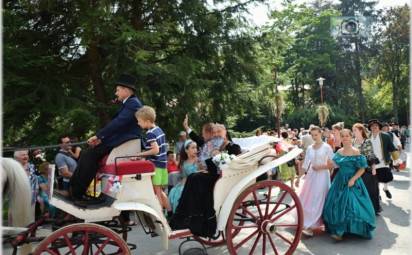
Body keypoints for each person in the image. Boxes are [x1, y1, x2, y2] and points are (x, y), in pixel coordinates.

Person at [70, 74, 142, 203]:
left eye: (118, 90)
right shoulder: (129, 103)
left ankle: (77, 193)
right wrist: (101, 139)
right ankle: (75, 190)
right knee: (87, 154)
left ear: (126, 90)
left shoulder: (132, 104)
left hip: (125, 141)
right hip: (118, 140)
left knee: (89, 155)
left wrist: (98, 136)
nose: (116, 93)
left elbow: (118, 123)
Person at [323, 129, 376, 240]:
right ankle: (340, 231)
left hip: (353, 180)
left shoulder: (356, 151)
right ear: (341, 138)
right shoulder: (339, 152)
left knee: (352, 204)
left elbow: (362, 169)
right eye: (343, 136)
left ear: (351, 137)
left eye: (347, 136)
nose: (345, 138)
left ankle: (346, 230)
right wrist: (328, 164)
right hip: (340, 180)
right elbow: (333, 165)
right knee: (337, 204)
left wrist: (353, 179)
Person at [297, 126, 334, 236]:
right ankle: (308, 222)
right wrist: (298, 177)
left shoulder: (327, 147)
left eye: (316, 135)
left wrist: (321, 167)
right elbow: (305, 164)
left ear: (321, 134)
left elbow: (333, 163)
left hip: (323, 176)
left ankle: (311, 227)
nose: (314, 137)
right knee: (308, 198)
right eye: (312, 135)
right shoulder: (309, 148)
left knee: (319, 198)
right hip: (311, 176)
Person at [135, 106, 171, 212]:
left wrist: (141, 154)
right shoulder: (159, 130)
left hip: (156, 166)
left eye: (139, 121)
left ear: (147, 121)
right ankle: (170, 212)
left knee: (157, 194)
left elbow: (155, 150)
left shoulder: (150, 133)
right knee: (160, 191)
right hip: (163, 165)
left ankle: (160, 217)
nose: (138, 123)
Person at [352, 123, 381, 214]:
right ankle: (360, 209)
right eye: (353, 130)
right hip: (355, 169)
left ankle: (373, 209)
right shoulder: (353, 142)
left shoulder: (367, 141)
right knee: (358, 190)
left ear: (361, 130)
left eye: (355, 130)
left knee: (370, 189)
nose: (353, 132)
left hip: (366, 168)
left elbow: (371, 155)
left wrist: (373, 168)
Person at [368, 119, 399, 199]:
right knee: (375, 179)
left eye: (376, 126)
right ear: (370, 128)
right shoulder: (368, 137)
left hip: (383, 161)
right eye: (372, 126)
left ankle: (385, 189)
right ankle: (378, 194)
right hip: (372, 162)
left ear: (379, 127)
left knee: (386, 178)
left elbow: (392, 148)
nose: (374, 127)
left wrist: (396, 159)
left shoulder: (385, 136)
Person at [14, 149, 39, 218]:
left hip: (32, 198)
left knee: (31, 218)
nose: (26, 156)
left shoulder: (32, 166)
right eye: (23, 155)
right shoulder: (14, 168)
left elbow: (35, 180)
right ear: (17, 157)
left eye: (26, 154)